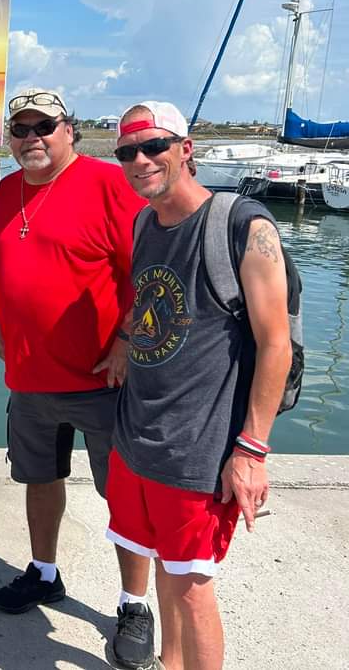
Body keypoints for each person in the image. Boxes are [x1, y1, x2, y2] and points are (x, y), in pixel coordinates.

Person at [108, 101, 291, 670]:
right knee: (162, 563)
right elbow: (151, 301)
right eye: (126, 152)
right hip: (137, 434)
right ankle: (168, 663)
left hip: (197, 448)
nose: (140, 160)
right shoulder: (144, 222)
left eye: (154, 146)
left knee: (192, 588)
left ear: (186, 149)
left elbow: (276, 344)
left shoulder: (243, 226)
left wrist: (252, 450)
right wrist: (122, 339)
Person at [0, 87, 155, 669]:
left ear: (70, 130)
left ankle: (134, 604)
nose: (32, 138)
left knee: (125, 497)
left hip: (103, 380)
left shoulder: (110, 184)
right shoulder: (5, 193)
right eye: (21, 129)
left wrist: (128, 343)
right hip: (30, 378)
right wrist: (2, 326)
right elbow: (6, 267)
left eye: (44, 127)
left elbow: (153, 271)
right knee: (39, 478)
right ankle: (44, 572)